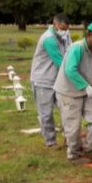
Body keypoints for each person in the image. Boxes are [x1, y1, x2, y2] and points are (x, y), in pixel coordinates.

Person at [53, 21, 92, 165]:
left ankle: (91, 148)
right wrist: (86, 87)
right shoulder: (76, 48)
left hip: (85, 91)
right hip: (68, 92)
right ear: (91, 34)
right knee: (73, 124)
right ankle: (74, 155)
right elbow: (70, 70)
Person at [30, 14, 71, 148]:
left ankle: (69, 139)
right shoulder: (48, 39)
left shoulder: (66, 35)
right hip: (43, 80)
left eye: (66, 29)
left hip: (58, 79)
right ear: (55, 25)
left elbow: (69, 54)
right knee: (46, 113)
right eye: (62, 28)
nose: (65, 31)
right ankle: (50, 141)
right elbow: (60, 61)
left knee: (66, 109)